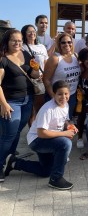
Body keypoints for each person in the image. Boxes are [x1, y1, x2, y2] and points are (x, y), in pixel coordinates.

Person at [4, 80, 76, 190]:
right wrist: (64, 133)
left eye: (66, 94)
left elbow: (65, 120)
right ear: (53, 94)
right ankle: (56, 179)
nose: (63, 97)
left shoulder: (65, 105)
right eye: (60, 94)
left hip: (50, 139)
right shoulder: (48, 109)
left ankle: (14, 162)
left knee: (45, 171)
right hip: (37, 141)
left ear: (69, 94)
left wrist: (70, 126)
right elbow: (41, 133)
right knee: (65, 143)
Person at [0, 29, 39, 182]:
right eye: (14, 41)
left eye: (19, 41)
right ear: (7, 42)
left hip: (28, 99)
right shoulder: (3, 59)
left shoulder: (26, 54)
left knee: (16, 132)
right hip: (11, 102)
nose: (17, 43)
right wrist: (3, 104)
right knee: (8, 135)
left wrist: (36, 70)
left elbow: (33, 75)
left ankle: (9, 157)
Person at [43, 33, 80, 121]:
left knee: (66, 122)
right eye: (63, 43)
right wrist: (54, 97)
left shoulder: (75, 56)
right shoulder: (55, 58)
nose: (67, 44)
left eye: (69, 42)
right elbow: (46, 80)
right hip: (56, 96)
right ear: (59, 44)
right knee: (54, 124)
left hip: (71, 96)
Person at [21, 24, 48, 125]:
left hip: (40, 80)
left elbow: (45, 63)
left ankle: (37, 131)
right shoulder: (22, 47)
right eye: (29, 31)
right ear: (24, 34)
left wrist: (45, 75)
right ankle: (31, 133)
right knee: (30, 111)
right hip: (27, 80)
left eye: (33, 31)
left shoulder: (41, 47)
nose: (32, 33)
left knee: (39, 109)